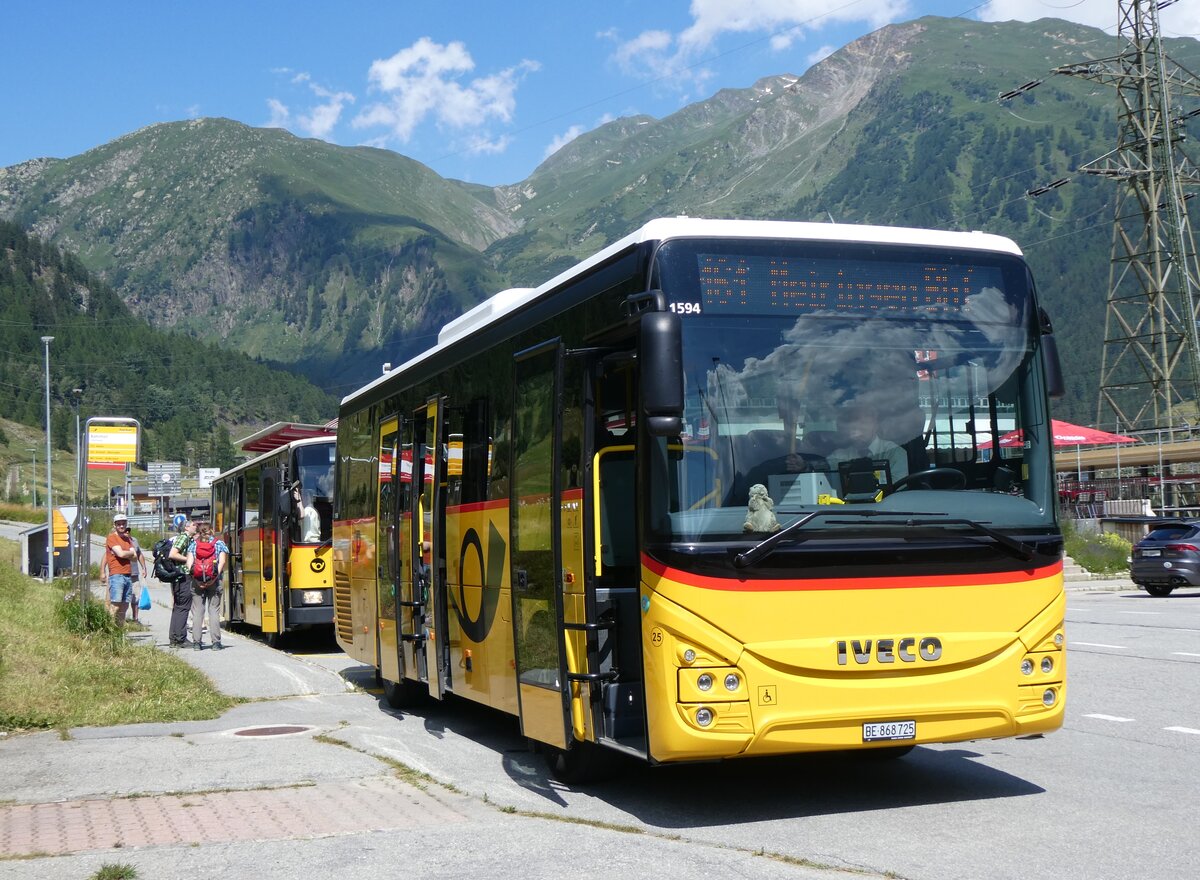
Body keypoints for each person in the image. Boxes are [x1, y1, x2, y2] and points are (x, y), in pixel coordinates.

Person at [825, 403, 909, 483]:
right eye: (854, 424)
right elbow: (827, 480)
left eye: (863, 423)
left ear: (876, 425)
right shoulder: (838, 456)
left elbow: (899, 486)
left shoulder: (894, 452)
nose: (858, 428)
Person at [186, 521, 229, 651]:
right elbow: (222, 562)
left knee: (198, 611)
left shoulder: (193, 544)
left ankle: (197, 643)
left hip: (197, 582)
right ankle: (216, 643)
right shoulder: (219, 544)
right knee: (214, 611)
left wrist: (197, 580)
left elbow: (189, 565)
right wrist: (213, 579)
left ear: (199, 531)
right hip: (214, 582)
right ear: (212, 530)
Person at [166, 519, 197, 648]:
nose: (196, 527)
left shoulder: (188, 538)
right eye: (194, 525)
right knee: (183, 607)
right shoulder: (184, 538)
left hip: (180, 576)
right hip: (183, 575)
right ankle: (180, 638)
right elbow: (172, 554)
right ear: (186, 528)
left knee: (179, 607)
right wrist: (189, 559)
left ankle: (174, 637)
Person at [104, 513, 137, 625]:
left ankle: (119, 630)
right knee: (116, 604)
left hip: (128, 574)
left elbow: (135, 557)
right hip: (117, 574)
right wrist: (129, 553)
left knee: (124, 606)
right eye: (119, 524)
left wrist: (126, 553)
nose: (121, 526)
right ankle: (108, 627)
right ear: (115, 525)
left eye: (123, 524)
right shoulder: (112, 538)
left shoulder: (128, 540)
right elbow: (121, 554)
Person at [128, 534, 148, 623]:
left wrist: (144, 567)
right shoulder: (117, 540)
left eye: (128, 530)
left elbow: (139, 554)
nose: (127, 531)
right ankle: (119, 620)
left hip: (134, 574)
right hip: (121, 574)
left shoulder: (134, 540)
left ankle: (135, 619)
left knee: (136, 597)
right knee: (121, 599)